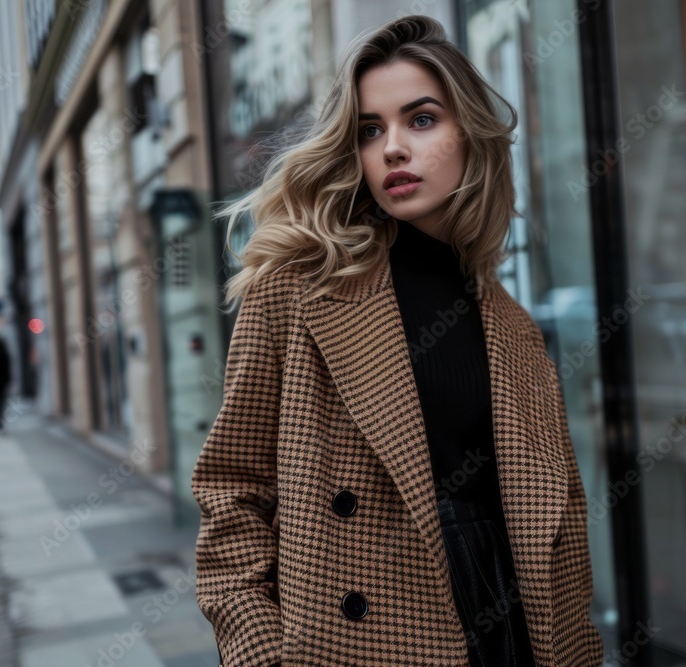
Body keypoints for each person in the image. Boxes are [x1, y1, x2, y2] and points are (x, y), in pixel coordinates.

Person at [191, 15, 603, 667]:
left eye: (421, 119)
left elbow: (559, 522)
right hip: (363, 638)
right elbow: (232, 491)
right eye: (370, 130)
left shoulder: (512, 324)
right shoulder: (297, 290)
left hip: (511, 619)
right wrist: (260, 650)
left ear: (468, 131)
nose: (393, 149)